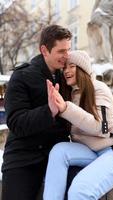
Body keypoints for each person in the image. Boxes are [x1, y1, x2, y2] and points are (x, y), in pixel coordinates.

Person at [43, 50, 113, 200]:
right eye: (65, 67)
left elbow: (101, 128)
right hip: (92, 151)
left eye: (72, 66)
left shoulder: (98, 88)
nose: (67, 71)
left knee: (80, 191)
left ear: (83, 69)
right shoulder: (71, 94)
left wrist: (66, 109)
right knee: (59, 151)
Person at [1, 24, 72, 200]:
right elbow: (16, 122)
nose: (67, 56)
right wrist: (49, 111)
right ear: (44, 50)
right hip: (23, 159)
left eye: (68, 50)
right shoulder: (21, 76)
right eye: (61, 51)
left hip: (57, 157)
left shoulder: (68, 76)